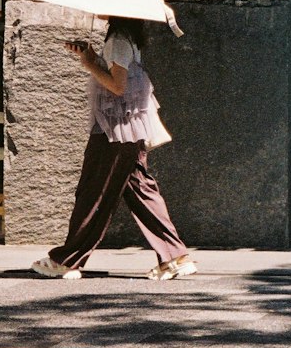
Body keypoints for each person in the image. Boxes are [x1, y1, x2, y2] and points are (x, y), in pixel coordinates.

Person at [31, 16, 194, 280]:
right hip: (128, 130)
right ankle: (175, 256)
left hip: (114, 132)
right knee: (142, 191)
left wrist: (88, 65)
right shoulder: (126, 37)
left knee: (93, 191)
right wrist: (95, 59)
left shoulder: (119, 39)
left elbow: (118, 86)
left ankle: (67, 260)